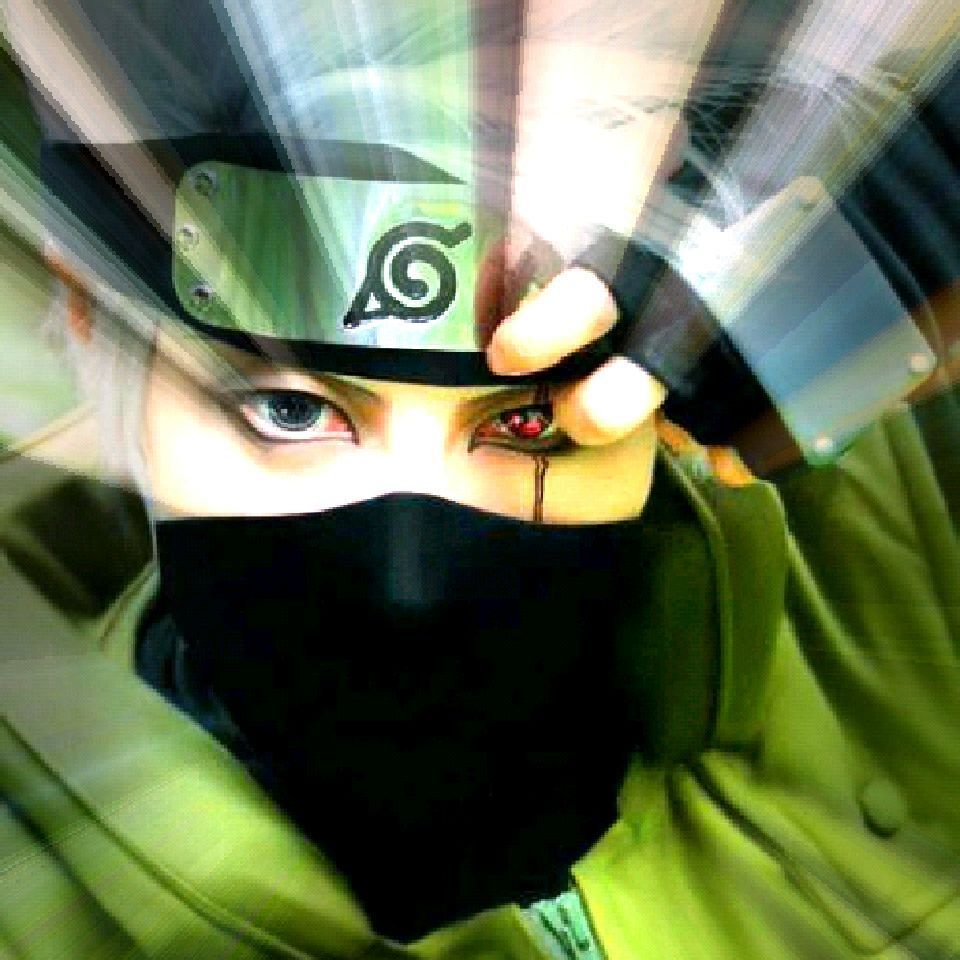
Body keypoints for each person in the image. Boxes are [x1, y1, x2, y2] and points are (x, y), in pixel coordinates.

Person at [0, 1, 958, 957]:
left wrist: (910, 202)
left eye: (528, 422)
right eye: (290, 411)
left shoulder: (900, 527)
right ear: (89, 317)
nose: (409, 584)